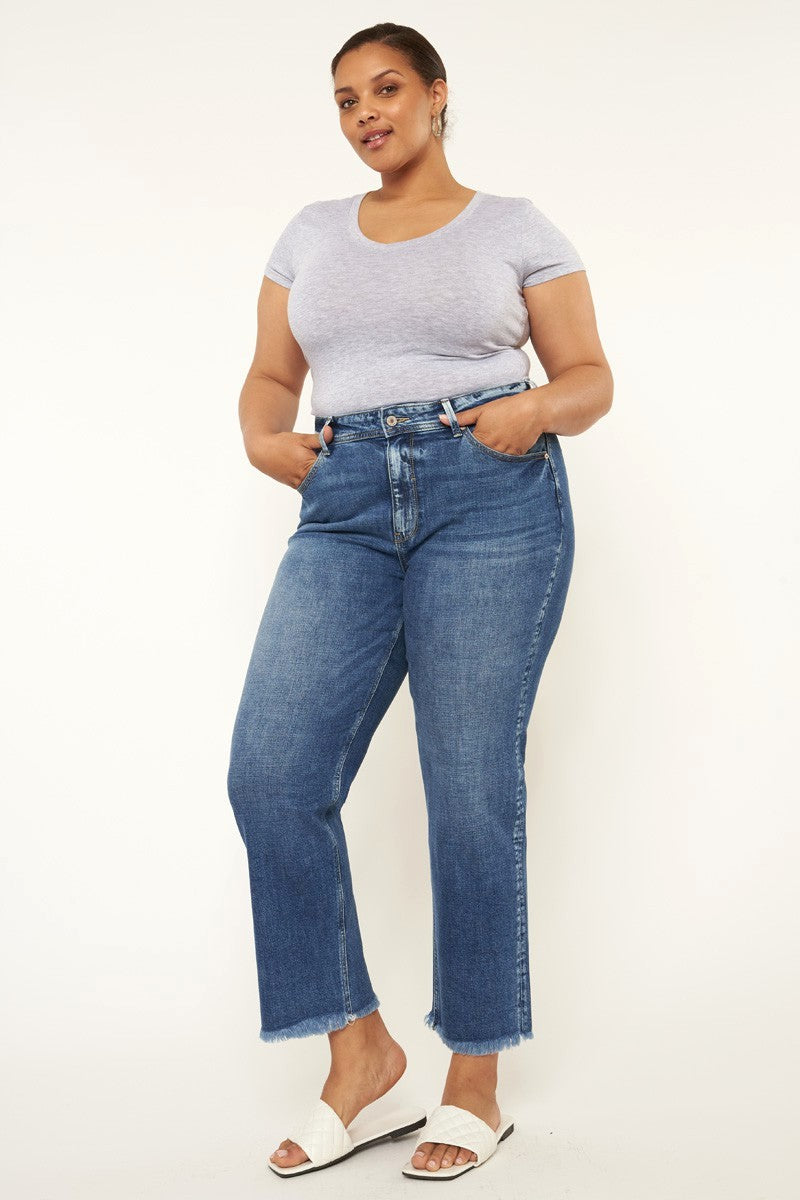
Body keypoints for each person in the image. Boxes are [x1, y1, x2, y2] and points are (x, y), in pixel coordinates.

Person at [226, 21, 613, 1182]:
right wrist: (260, 436)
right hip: (343, 500)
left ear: (437, 95)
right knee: (271, 775)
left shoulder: (514, 227)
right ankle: (361, 1055)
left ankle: (474, 1081)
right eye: (346, 99)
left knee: (467, 787)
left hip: (486, 497)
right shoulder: (308, 234)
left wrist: (530, 411)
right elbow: (270, 375)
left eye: (386, 90)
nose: (365, 115)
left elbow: (589, 378)